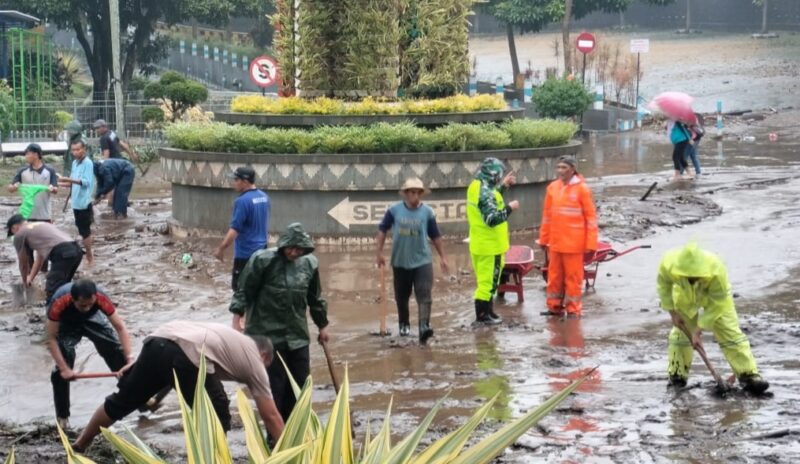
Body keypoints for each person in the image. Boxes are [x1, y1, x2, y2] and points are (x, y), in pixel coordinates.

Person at [72, 320, 285, 451]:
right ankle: (212, 457)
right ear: (264, 355)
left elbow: (178, 338)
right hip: (185, 354)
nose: (264, 370)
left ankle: (80, 444)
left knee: (122, 401)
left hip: (156, 341)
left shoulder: (231, 338)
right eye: (266, 365)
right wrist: (291, 449)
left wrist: (138, 365)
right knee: (217, 410)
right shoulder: (255, 360)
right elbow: (271, 416)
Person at [230, 223, 329, 422]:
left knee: (300, 385)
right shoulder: (262, 260)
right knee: (274, 388)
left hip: (297, 336)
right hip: (267, 336)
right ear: (283, 245)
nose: (294, 252)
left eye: (299, 249)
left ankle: (296, 428)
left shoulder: (309, 264)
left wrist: (323, 325)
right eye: (291, 248)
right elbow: (244, 290)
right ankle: (275, 432)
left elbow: (315, 298)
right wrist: (236, 319)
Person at [657, 242, 770, 394]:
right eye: (688, 277)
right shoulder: (668, 264)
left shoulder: (717, 270)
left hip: (716, 297)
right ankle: (677, 376)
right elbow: (663, 288)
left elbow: (718, 303)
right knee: (681, 334)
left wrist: (698, 331)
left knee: (729, 331)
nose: (692, 280)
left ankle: (748, 376)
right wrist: (673, 313)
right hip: (684, 295)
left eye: (695, 277)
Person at [46, 279, 133, 429]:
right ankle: (62, 417)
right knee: (63, 364)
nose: (86, 308)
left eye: (90, 304)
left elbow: (120, 327)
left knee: (113, 348)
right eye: (83, 305)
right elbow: (50, 338)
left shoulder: (100, 298)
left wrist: (130, 358)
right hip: (66, 323)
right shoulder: (59, 302)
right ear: (73, 300)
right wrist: (64, 368)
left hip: (92, 318)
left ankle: (137, 395)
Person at [375, 178, 449, 343]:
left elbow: (435, 235)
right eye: (412, 192)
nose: (415, 196)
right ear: (406, 194)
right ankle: (404, 325)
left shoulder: (427, 212)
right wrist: (379, 253)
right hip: (400, 260)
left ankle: (424, 327)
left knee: (424, 293)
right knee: (402, 296)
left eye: (418, 193)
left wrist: (443, 257)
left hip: (422, 259)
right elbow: (382, 230)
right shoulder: (394, 211)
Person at [538, 155, 598, 319]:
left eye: (564, 167)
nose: (560, 171)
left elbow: (591, 218)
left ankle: (573, 309)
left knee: (573, 278)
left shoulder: (582, 189)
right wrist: (544, 239)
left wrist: (591, 244)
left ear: (573, 169)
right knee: (554, 277)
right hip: (556, 243)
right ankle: (554, 307)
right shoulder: (553, 188)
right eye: (558, 167)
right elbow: (547, 216)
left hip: (574, 244)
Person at [466, 157, 518, 325]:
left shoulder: (476, 186)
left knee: (487, 281)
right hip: (490, 246)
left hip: (480, 244)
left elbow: (489, 201)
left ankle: (488, 312)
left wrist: (503, 186)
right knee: (488, 283)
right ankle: (483, 317)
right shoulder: (485, 192)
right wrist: (510, 208)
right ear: (494, 174)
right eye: (499, 176)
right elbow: (492, 218)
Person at [213, 166, 270, 291]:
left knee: (240, 293)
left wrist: (221, 249)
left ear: (245, 181)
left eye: (236, 180)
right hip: (263, 253)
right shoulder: (264, 197)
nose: (234, 183)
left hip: (245, 255)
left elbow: (234, 230)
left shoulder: (242, 201)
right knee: (258, 291)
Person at [7, 214, 84, 303]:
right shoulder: (40, 225)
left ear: (14, 227)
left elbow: (23, 263)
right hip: (76, 251)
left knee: (52, 290)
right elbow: (39, 260)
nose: (14, 235)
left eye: (12, 233)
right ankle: (70, 307)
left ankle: (52, 310)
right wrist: (30, 278)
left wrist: (24, 283)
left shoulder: (19, 234)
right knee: (64, 287)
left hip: (63, 253)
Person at [58, 139, 96, 264]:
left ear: (84, 149)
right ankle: (88, 253)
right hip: (76, 203)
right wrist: (61, 184)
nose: (75, 152)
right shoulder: (74, 163)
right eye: (73, 150)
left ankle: (89, 255)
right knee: (81, 229)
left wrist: (68, 180)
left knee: (85, 231)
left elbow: (86, 182)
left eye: (78, 149)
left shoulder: (88, 163)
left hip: (84, 202)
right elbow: (73, 182)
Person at [8, 143, 59, 221]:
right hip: (27, 214)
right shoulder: (23, 171)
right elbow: (10, 189)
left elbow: (55, 190)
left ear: (36, 155)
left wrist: (52, 189)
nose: (26, 156)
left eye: (28, 154)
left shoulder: (49, 171)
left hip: (44, 215)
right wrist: (14, 187)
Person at [683, 112, 704, 177]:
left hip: (693, 139)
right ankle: (698, 173)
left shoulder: (689, 117)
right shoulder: (691, 116)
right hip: (695, 138)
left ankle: (679, 173)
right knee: (693, 156)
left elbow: (689, 125)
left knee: (684, 157)